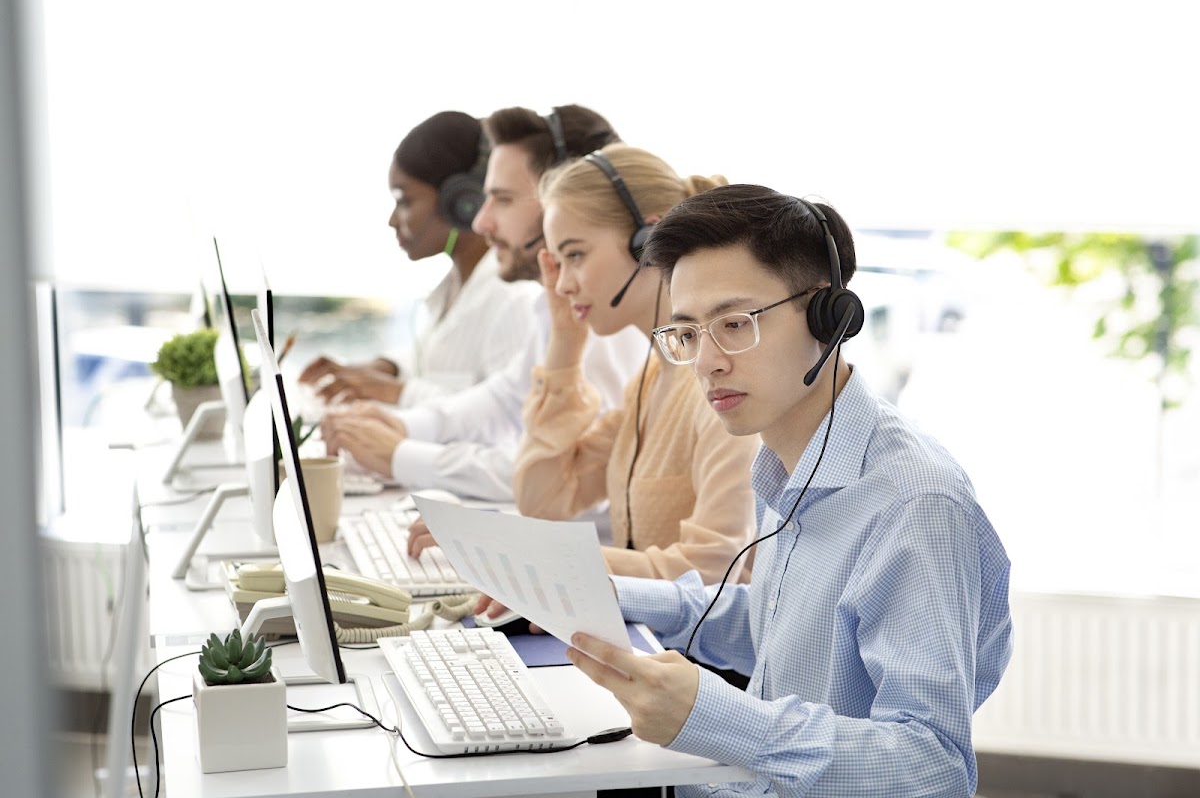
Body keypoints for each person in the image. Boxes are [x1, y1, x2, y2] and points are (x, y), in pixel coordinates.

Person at [564, 185, 1013, 797]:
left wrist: (718, 718)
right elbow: (782, 628)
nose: (707, 362)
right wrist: (601, 595)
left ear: (830, 318)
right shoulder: (787, 463)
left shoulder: (916, 507)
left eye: (734, 324)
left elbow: (932, 766)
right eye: (688, 333)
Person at [321, 106, 646, 501]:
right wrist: (404, 426)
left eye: (503, 200)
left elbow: (575, 482)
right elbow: (507, 396)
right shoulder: (554, 302)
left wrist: (400, 454)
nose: (480, 222)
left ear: (562, 201)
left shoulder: (605, 314)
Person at [500, 144, 760, 582]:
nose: (562, 284)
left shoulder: (720, 387)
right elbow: (542, 499)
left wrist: (549, 558)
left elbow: (713, 572)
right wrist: (565, 341)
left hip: (687, 650)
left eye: (576, 255)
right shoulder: (651, 381)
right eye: (557, 263)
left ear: (648, 243)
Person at [298, 111, 538, 407]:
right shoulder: (454, 284)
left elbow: (506, 417)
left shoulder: (512, 298)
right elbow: (439, 365)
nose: (392, 220)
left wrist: (396, 392)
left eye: (404, 200)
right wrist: (387, 368)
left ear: (461, 202)